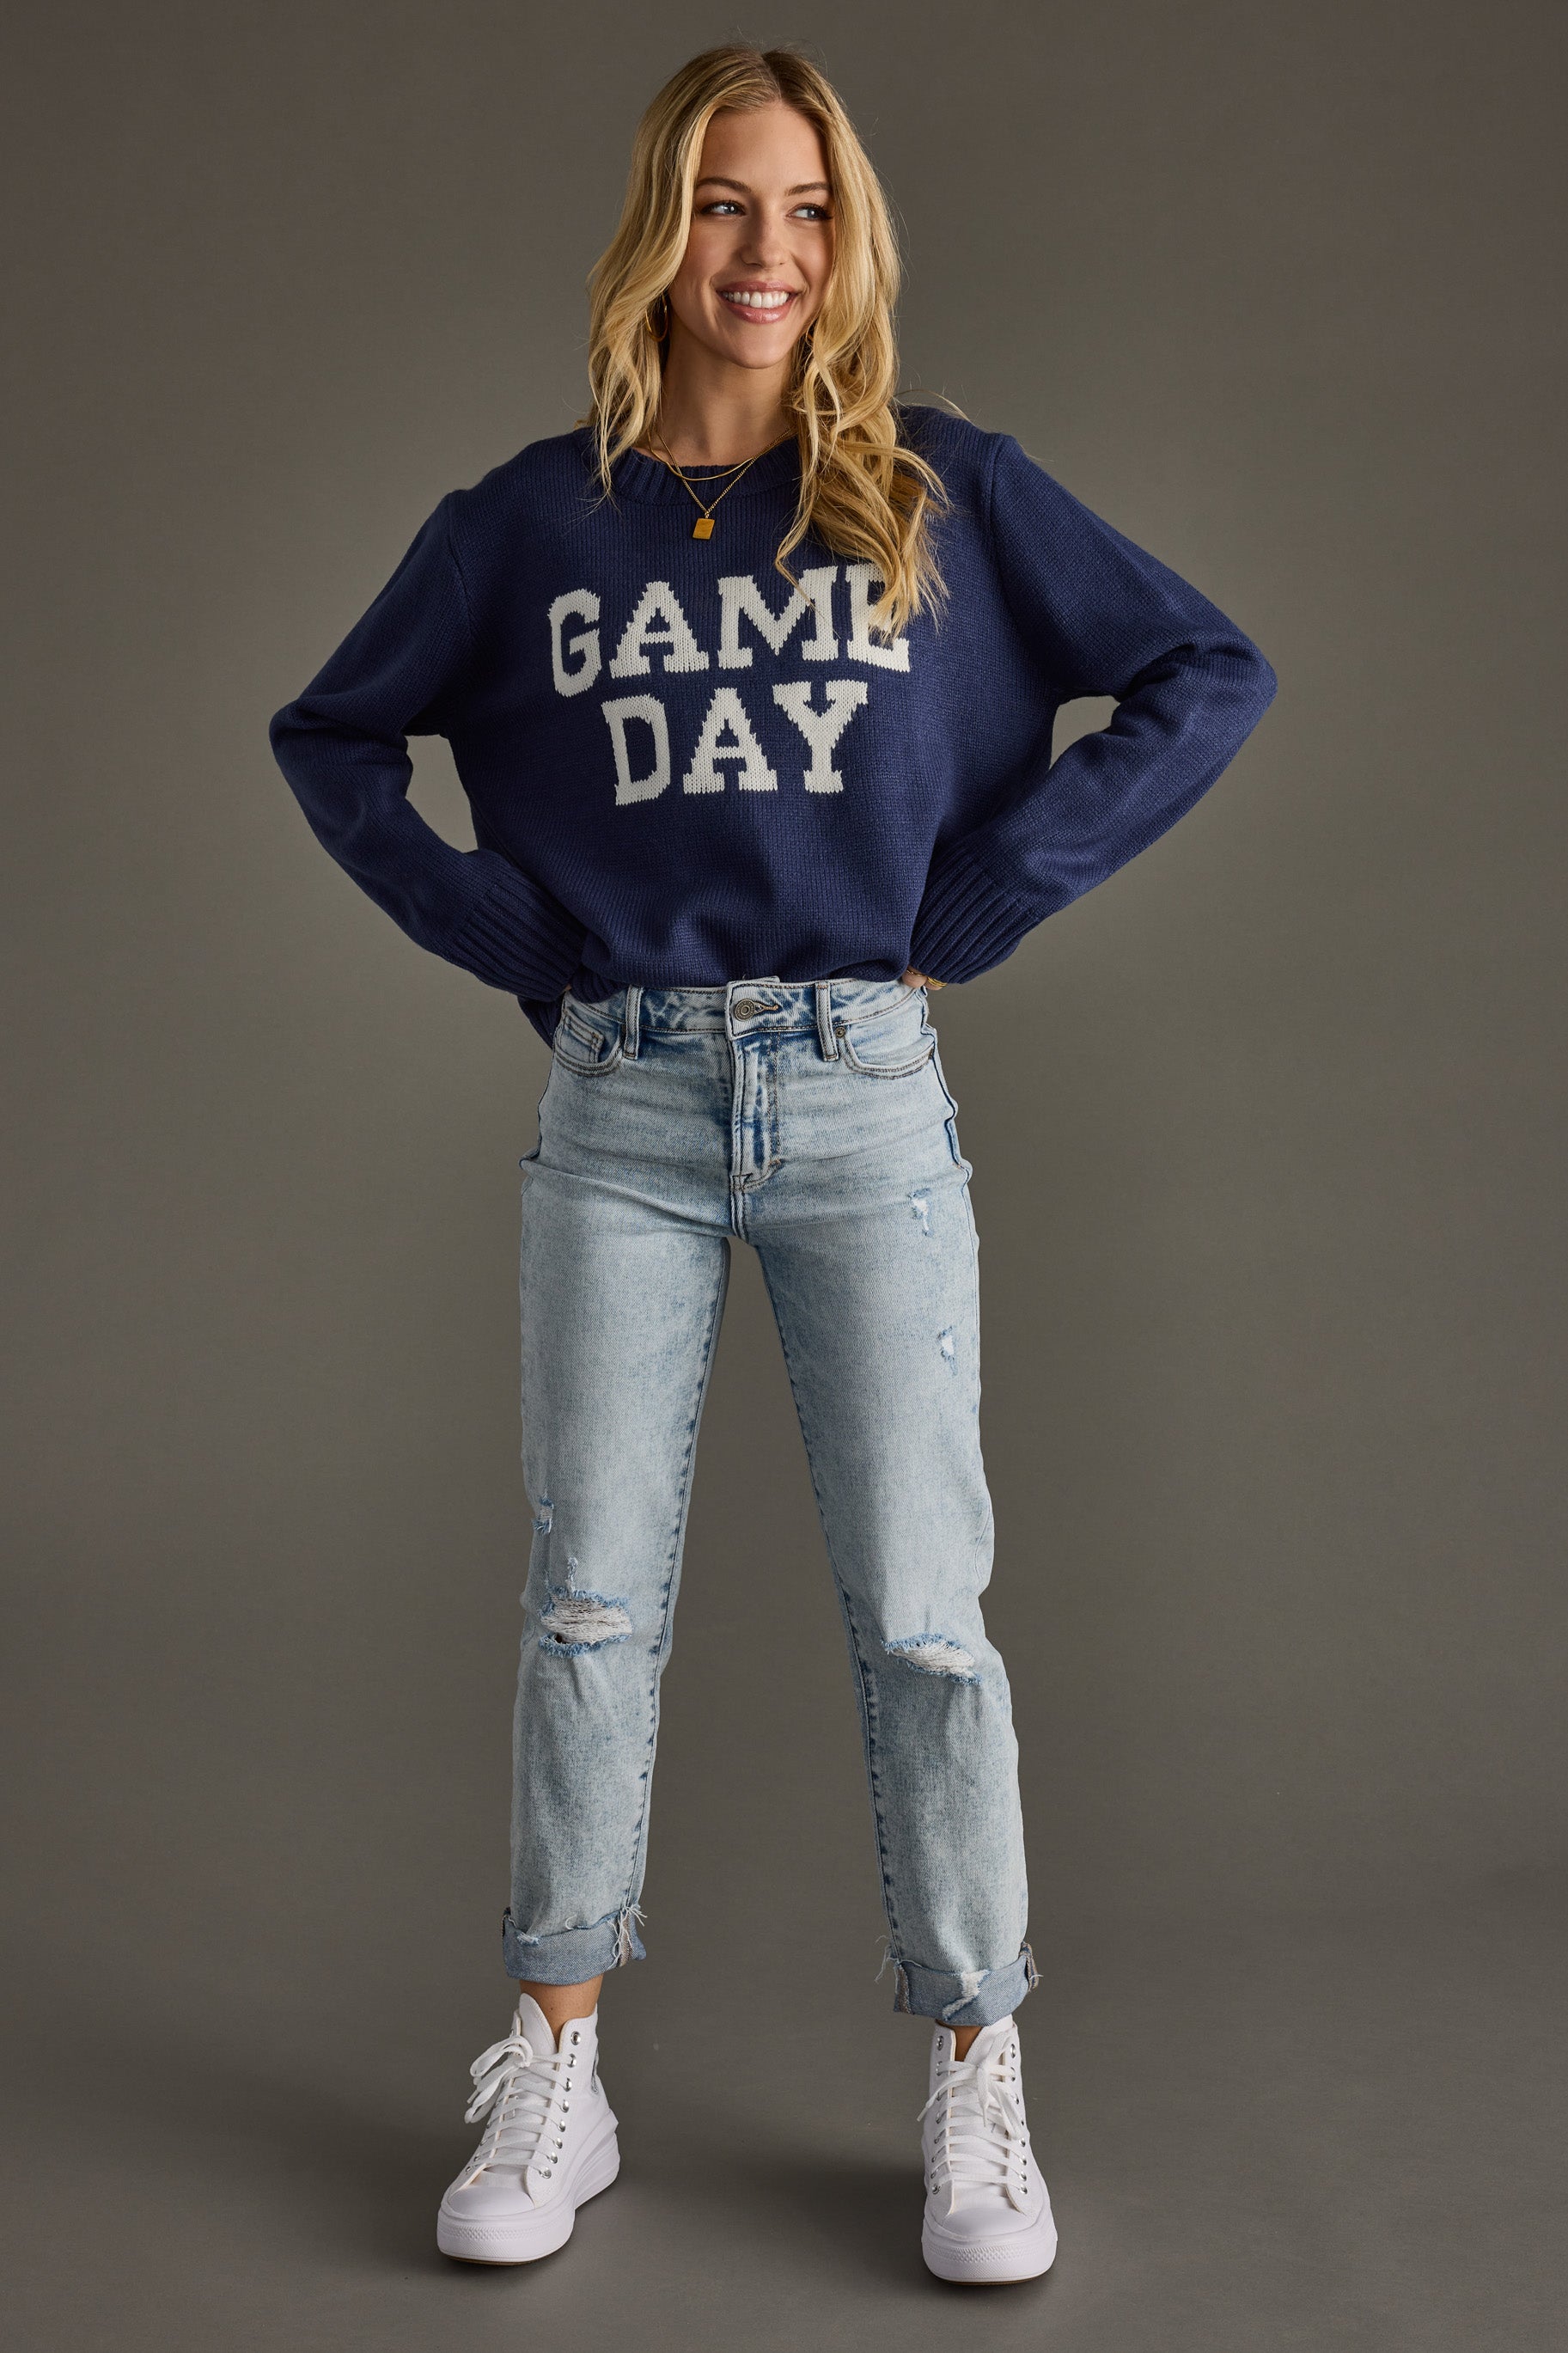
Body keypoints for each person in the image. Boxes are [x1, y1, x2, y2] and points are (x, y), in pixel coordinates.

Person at [268, 42, 1276, 2286]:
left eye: (808, 209)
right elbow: (331, 735)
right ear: (661, 227)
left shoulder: (941, 490)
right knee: (589, 1602)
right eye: (726, 203)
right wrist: (500, 932)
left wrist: (981, 898)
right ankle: (556, 2068)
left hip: (858, 1092)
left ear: (850, 240)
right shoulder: (531, 525)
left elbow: (1205, 670)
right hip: (620, 1103)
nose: (767, 252)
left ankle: (976, 2072)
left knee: (924, 1614)